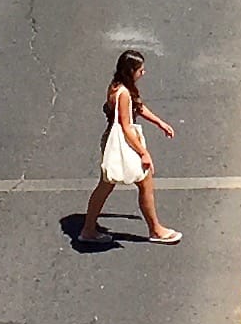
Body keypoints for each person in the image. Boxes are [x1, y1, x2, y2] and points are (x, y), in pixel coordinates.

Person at [77, 50, 180, 247]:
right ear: (131, 71)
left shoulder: (116, 87)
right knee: (144, 182)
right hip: (125, 141)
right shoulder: (123, 93)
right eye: (140, 70)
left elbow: (138, 107)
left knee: (106, 185)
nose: (144, 73)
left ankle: (88, 229)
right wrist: (143, 152)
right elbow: (125, 126)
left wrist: (159, 122)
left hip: (112, 140)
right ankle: (156, 230)